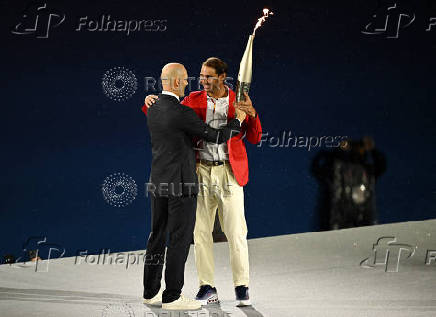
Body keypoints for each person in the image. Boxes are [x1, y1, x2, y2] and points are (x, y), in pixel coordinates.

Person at [143, 57, 262, 306]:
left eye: (208, 76)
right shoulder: (191, 100)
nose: (202, 80)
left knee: (236, 232)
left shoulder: (237, 100)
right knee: (199, 233)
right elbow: (165, 113)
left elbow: (254, 137)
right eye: (200, 75)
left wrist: (251, 114)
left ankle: (242, 287)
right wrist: (149, 100)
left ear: (222, 78)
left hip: (229, 173)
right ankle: (206, 286)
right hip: (199, 173)